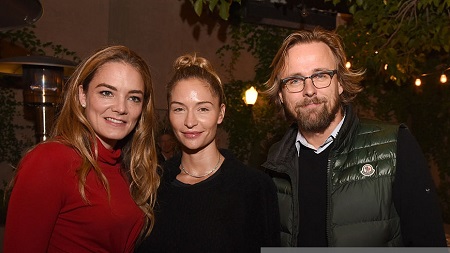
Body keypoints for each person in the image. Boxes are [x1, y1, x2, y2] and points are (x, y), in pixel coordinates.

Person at [261, 27, 447, 247]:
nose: (309, 90)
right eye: (294, 80)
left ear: (340, 83)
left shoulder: (395, 146)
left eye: (321, 75)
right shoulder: (273, 163)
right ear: (281, 95)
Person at [4, 45, 160, 253]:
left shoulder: (127, 167)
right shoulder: (50, 160)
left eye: (133, 98)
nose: (121, 108)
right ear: (82, 95)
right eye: (106, 93)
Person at [136, 53, 280, 252]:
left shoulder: (253, 187)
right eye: (179, 109)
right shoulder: (152, 184)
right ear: (168, 113)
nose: (190, 121)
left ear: (220, 113)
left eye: (202, 109)